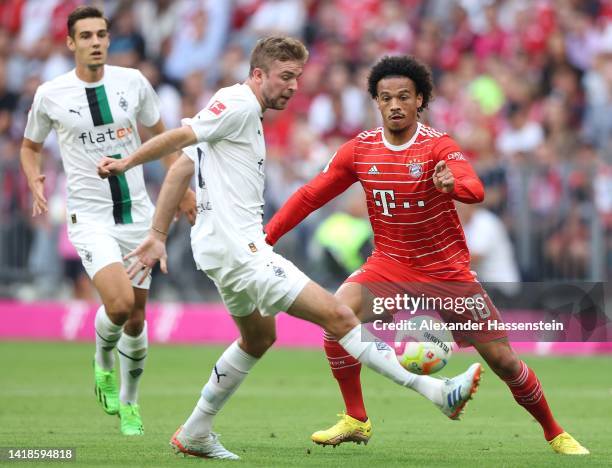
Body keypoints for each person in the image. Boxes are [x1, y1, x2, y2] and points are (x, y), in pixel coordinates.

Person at [97, 36, 482, 460]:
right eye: (286, 76)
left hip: (221, 249)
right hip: (239, 250)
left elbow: (182, 169)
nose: (293, 86)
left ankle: (195, 431)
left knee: (259, 337)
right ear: (258, 74)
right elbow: (179, 139)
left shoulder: (229, 110)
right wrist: (128, 162)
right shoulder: (239, 105)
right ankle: (436, 391)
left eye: (297, 77)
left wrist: (156, 233)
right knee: (338, 314)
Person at [264, 55, 589, 456]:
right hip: (390, 265)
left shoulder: (438, 146)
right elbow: (311, 195)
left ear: (420, 100)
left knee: (504, 361)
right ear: (376, 103)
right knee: (335, 319)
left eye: (404, 96)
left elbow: (475, 188)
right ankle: (356, 419)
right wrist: (268, 236)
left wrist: (455, 185)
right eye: (386, 98)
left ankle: (555, 432)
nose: (395, 104)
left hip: (446, 273)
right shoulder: (360, 149)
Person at [20, 6, 195, 436]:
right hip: (89, 216)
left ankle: (130, 402)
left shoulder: (132, 83)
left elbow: (161, 136)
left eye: (101, 34)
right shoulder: (51, 93)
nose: (96, 41)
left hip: (137, 213)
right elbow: (29, 146)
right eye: (86, 36)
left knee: (136, 319)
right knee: (116, 305)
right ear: (71, 42)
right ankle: (101, 361)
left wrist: (182, 187)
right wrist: (34, 179)